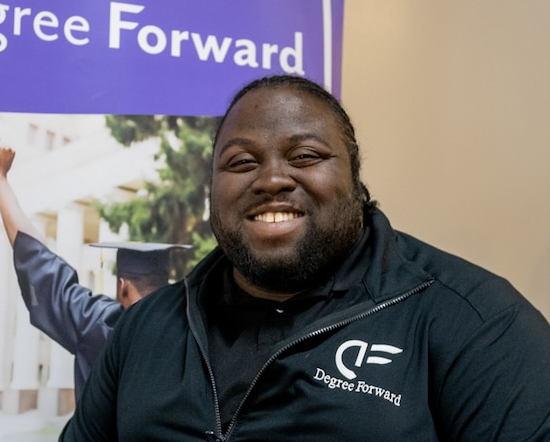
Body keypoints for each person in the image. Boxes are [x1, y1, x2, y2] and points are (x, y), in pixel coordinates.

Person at [59, 75, 550, 441]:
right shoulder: (145, 329)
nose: (271, 179)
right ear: (212, 190)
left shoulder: (477, 324)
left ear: (356, 182)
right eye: (241, 162)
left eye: (306, 156)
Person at [0, 142, 189, 399]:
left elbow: (38, 261)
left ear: (123, 286)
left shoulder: (99, 324)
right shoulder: (191, 332)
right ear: (165, 281)